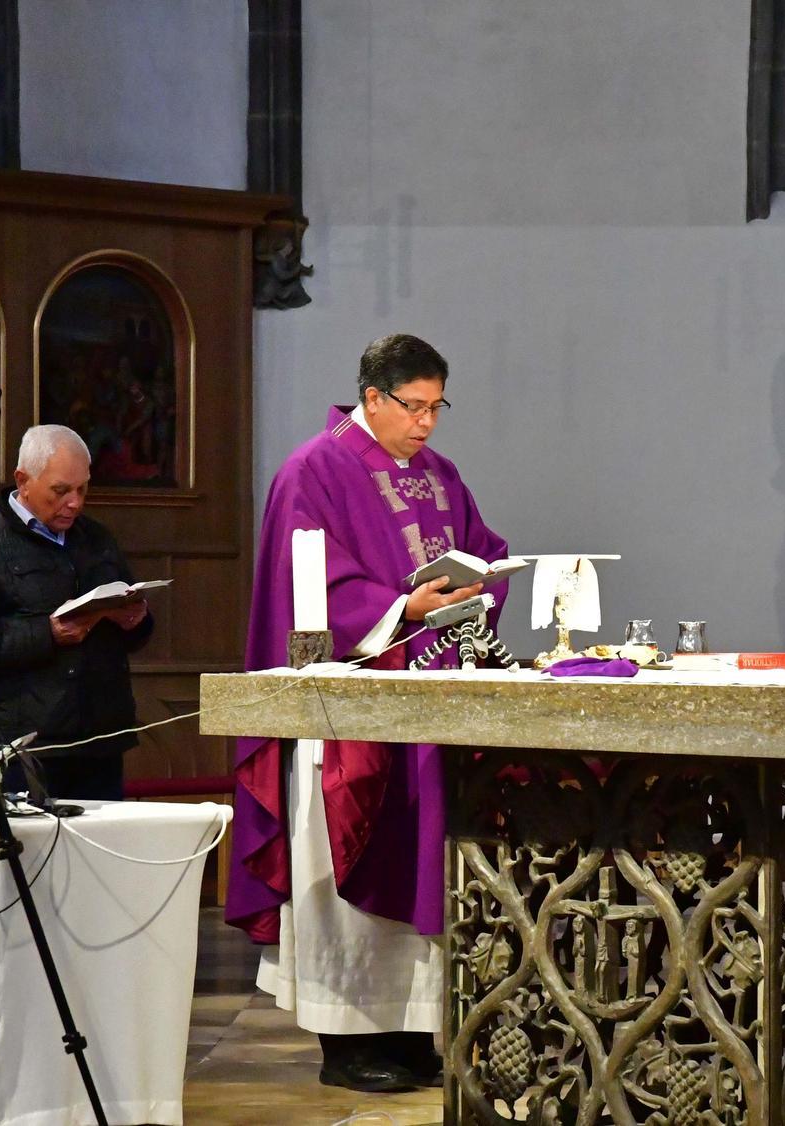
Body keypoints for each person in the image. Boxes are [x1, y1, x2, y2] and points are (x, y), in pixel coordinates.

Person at [228, 333, 509, 1092]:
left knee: (424, 865)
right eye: (412, 407)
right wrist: (399, 607)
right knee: (345, 858)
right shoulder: (312, 471)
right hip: (348, 713)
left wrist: (475, 587)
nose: (426, 424)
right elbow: (308, 591)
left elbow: (482, 550)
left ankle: (414, 1030)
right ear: (373, 397)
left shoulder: (441, 475)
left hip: (429, 706)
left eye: (436, 407)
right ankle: (346, 1039)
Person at [0, 424, 152, 800]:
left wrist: (136, 620)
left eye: (82, 489)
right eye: (61, 491)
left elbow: (133, 626)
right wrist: (48, 633)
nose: (74, 502)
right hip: (28, 748)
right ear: (23, 481)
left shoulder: (96, 537)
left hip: (102, 739)